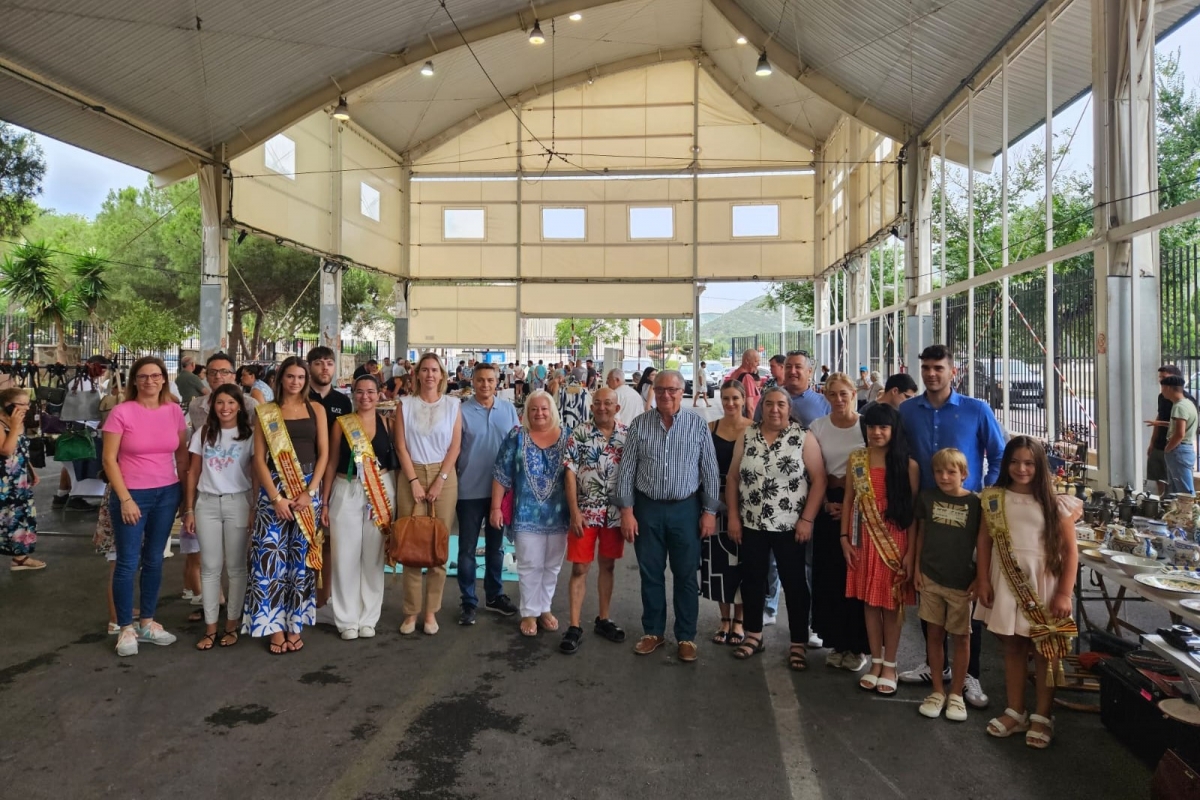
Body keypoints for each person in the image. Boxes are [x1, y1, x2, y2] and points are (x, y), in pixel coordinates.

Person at [897, 344, 1005, 709]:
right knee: (930, 586)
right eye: (925, 367)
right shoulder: (908, 410)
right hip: (927, 515)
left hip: (967, 518)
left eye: (938, 368)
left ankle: (969, 673)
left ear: (952, 371)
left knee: (965, 593)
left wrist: (982, 493)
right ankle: (933, 666)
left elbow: (999, 454)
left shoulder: (976, 410)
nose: (931, 374)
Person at [976, 437, 1077, 748]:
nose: (1021, 468)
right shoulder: (993, 498)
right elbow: (984, 542)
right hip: (1005, 581)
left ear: (1040, 466)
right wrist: (982, 579)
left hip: (1043, 585)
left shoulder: (1055, 503)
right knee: (1012, 648)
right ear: (1006, 464)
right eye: (1015, 462)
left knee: (1044, 652)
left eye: (1029, 463)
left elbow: (1071, 552)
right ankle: (1016, 710)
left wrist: (1064, 593)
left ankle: (1043, 716)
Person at [616, 370, 720, 662]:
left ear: (682, 391)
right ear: (654, 391)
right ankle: (653, 632)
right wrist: (627, 511)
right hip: (647, 508)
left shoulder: (697, 425)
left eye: (672, 390)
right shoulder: (639, 425)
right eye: (660, 389)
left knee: (686, 575)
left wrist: (709, 512)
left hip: (685, 510)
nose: (666, 395)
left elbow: (710, 471)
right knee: (651, 573)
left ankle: (686, 637)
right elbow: (627, 471)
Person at [726, 386, 826, 670]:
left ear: (789, 408)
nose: (774, 409)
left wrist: (807, 519)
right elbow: (733, 478)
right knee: (753, 579)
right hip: (751, 523)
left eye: (781, 404)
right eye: (769, 404)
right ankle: (754, 634)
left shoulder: (802, 437)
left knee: (794, 583)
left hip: (791, 525)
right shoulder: (747, 436)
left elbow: (818, 480)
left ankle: (797, 642)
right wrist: (733, 516)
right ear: (761, 407)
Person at [102, 356, 189, 657]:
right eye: (143, 376)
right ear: (134, 381)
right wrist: (124, 498)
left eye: (155, 376)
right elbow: (109, 459)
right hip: (132, 494)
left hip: (166, 492)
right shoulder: (121, 412)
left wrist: (183, 497)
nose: (149, 381)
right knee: (127, 562)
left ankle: (148, 622)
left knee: (154, 558)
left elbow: (181, 457)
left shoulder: (174, 411)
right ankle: (125, 626)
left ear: (164, 379)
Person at [245, 357, 329, 654]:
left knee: (301, 561)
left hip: (307, 489)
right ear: (280, 378)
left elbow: (324, 455)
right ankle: (274, 627)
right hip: (274, 492)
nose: (295, 382)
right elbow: (258, 459)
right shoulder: (266, 412)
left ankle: (296, 624)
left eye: (300, 377)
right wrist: (275, 498)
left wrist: (310, 491)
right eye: (290, 376)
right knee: (270, 562)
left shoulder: (315, 409)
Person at [842, 403, 918, 695]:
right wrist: (844, 538)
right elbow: (849, 500)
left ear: (893, 429)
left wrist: (911, 552)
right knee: (870, 603)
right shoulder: (856, 459)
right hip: (863, 539)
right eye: (872, 427)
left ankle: (891, 663)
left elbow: (911, 512)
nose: (876, 432)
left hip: (895, 542)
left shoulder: (908, 466)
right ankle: (875, 660)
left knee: (891, 603)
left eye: (883, 427)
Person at [321, 374, 397, 640]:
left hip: (380, 491)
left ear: (380, 394)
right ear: (353, 394)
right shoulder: (342, 424)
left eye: (371, 392)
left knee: (373, 557)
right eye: (360, 392)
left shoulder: (388, 423)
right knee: (345, 556)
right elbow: (330, 463)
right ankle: (346, 619)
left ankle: (369, 617)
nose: (365, 397)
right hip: (346, 489)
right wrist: (325, 502)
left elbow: (394, 462)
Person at [490, 390, 570, 637]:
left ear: (552, 411)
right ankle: (529, 612)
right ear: (526, 412)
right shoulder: (516, 436)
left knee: (552, 566)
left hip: (559, 515)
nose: (539, 413)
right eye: (534, 409)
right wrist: (495, 507)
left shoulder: (568, 437)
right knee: (529, 564)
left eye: (544, 408)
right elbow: (501, 474)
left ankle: (544, 608)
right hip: (525, 514)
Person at [182, 384, 255, 650]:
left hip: (238, 503)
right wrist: (189, 508)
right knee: (210, 568)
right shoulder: (203, 433)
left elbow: (256, 474)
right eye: (220, 403)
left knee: (236, 568)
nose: (225, 408)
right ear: (213, 406)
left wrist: (255, 509)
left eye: (231, 403)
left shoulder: (250, 435)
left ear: (240, 406)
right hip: (207, 505)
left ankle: (232, 625)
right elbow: (193, 472)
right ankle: (211, 627)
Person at [394, 353, 462, 636]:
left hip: (443, 477)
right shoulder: (405, 405)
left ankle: (431, 611)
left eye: (435, 370)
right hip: (411, 474)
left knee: (437, 547)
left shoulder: (453, 404)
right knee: (411, 545)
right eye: (425, 369)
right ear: (417, 374)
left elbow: (455, 447)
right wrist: (413, 480)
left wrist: (439, 480)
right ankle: (411, 612)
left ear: (442, 375)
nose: (430, 374)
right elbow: (400, 446)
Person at [913, 448, 982, 722]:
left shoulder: (976, 504)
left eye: (951, 471)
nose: (944, 476)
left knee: (962, 637)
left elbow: (982, 544)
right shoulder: (927, 499)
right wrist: (917, 568)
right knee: (934, 634)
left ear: (964, 474)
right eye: (939, 471)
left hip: (961, 584)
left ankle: (956, 693)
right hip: (931, 577)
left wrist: (980, 577)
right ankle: (937, 690)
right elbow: (920, 534)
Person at [808, 373, 869, 671]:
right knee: (830, 577)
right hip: (828, 503)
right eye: (832, 394)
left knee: (856, 576)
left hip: (862, 505)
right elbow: (813, 472)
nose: (838, 399)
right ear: (825, 396)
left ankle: (858, 646)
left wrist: (851, 505)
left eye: (844, 393)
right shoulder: (817, 427)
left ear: (854, 393)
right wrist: (825, 503)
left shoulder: (866, 427)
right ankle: (836, 641)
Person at [562, 387, 628, 653]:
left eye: (608, 403)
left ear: (617, 407)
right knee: (580, 568)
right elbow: (569, 473)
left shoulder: (627, 435)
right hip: (585, 513)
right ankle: (575, 625)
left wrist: (628, 512)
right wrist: (574, 510)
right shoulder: (578, 433)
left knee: (608, 565)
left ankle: (603, 618)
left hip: (614, 513)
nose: (602, 407)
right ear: (591, 407)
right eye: (598, 403)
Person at [455, 362, 520, 626]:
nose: (485, 384)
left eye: (490, 380)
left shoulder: (508, 410)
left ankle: (495, 595)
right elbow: (454, 450)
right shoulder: (460, 412)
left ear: (497, 382)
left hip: (501, 493)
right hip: (469, 490)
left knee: (496, 547)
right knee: (467, 549)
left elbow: (518, 445)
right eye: (480, 380)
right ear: (472, 381)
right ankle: (468, 601)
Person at [701, 381, 751, 646]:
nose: (730, 403)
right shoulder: (712, 428)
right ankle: (723, 619)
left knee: (743, 562)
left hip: (747, 505)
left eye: (735, 398)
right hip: (715, 503)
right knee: (717, 562)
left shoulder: (754, 430)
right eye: (725, 398)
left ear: (743, 399)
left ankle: (740, 620)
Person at [307, 346, 354, 616]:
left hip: (332, 479)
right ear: (309, 366)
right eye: (319, 363)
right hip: (301, 475)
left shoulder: (343, 401)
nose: (325, 368)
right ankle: (303, 598)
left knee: (328, 541)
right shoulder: (299, 398)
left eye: (329, 363)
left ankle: (324, 601)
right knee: (303, 540)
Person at [0, 388, 43, 571]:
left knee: (19, 517)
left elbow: (21, 449)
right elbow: (6, 450)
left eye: (28, 403)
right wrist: (16, 428)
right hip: (4, 480)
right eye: (22, 404)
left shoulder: (18, 422)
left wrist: (31, 471)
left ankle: (20, 557)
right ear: (9, 406)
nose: (27, 407)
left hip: (19, 478)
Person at [754, 351, 831, 428]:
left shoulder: (825, 403)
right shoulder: (767, 399)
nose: (792, 371)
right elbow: (756, 429)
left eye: (798, 367)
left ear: (809, 371)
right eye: (788, 367)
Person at [188, 352, 258, 431]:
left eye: (224, 372)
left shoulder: (249, 405)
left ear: (233, 376)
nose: (217, 376)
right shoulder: (196, 406)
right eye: (212, 372)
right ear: (207, 377)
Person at [1162, 375, 1197, 495]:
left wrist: (1168, 448)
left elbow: (1179, 433)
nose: (1162, 392)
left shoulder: (1179, 407)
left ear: (1168, 388)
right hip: (1184, 449)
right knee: (1177, 490)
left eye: (1162, 388)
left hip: (1179, 450)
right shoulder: (1188, 403)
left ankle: (1191, 513)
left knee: (1184, 492)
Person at [729, 349, 763, 417]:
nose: (758, 364)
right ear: (747, 361)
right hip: (746, 420)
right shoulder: (747, 377)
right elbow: (750, 408)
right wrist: (752, 426)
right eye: (756, 361)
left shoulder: (734, 374)